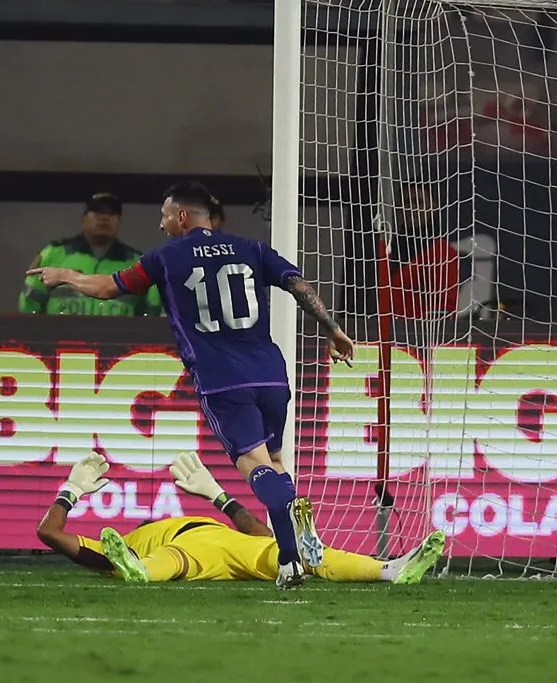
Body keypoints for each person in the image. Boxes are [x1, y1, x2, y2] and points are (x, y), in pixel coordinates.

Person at [28, 181, 356, 589]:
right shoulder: (252, 249)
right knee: (274, 457)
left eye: (165, 216)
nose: (162, 225)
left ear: (182, 216)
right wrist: (334, 330)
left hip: (222, 380)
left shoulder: (167, 257)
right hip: (271, 372)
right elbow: (300, 287)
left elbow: (107, 288)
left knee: (253, 465)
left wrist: (67, 276)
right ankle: (300, 527)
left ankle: (288, 555)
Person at [38, 453, 445, 584]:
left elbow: (255, 530)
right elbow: (50, 533)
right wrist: (69, 491)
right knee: (172, 561)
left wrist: (217, 495)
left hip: (235, 545)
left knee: (291, 555)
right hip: (182, 553)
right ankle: (139, 571)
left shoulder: (179, 523)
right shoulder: (125, 541)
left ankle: (391, 569)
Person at [19, 193, 162, 316]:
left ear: (119, 221)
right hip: (60, 342)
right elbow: (30, 302)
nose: (104, 218)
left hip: (117, 344)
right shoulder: (54, 254)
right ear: (84, 219)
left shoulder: (137, 262)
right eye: (98, 211)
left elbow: (154, 310)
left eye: (112, 213)